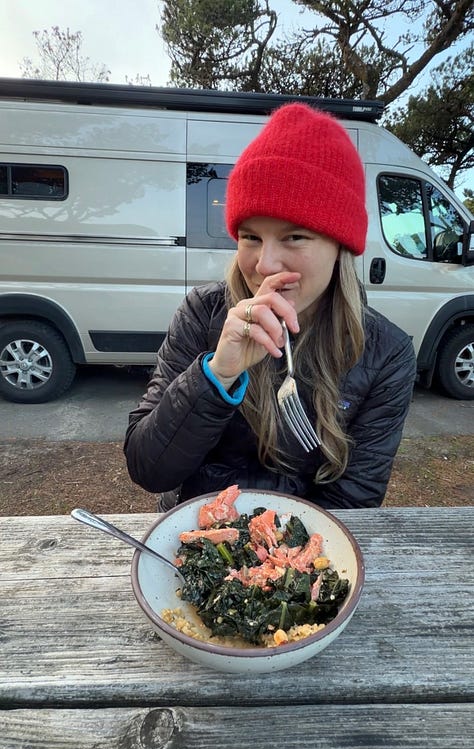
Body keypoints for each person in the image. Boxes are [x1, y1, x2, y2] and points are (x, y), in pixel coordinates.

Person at [124, 102, 417, 510]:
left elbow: (354, 498)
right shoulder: (202, 313)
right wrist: (216, 375)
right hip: (194, 529)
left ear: (340, 247)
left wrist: (272, 546)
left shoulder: (386, 352)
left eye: (294, 237)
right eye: (251, 237)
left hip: (301, 542)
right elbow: (148, 469)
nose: (264, 265)